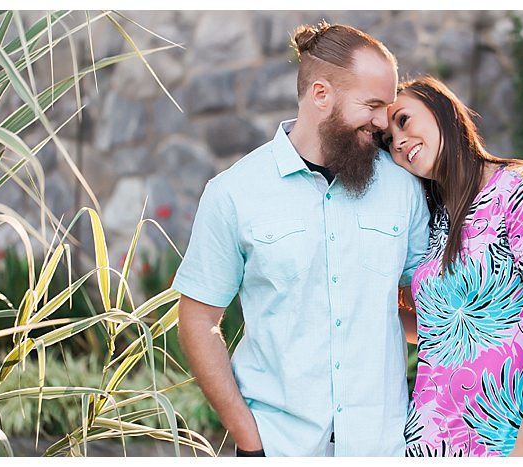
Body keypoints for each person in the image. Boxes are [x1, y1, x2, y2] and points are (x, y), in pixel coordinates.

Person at [172, 21, 430, 456]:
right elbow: (198, 320)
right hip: (278, 449)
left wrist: (515, 346)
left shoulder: (403, 188)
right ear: (321, 95)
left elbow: (430, 309)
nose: (385, 121)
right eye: (373, 104)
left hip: (383, 449)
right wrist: (251, 443)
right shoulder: (233, 193)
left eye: (388, 106)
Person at [381, 76, 523, 457]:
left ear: (442, 109)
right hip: (430, 437)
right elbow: (441, 328)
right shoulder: (434, 219)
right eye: (389, 141)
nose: (399, 142)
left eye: (404, 121)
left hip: (509, 436)